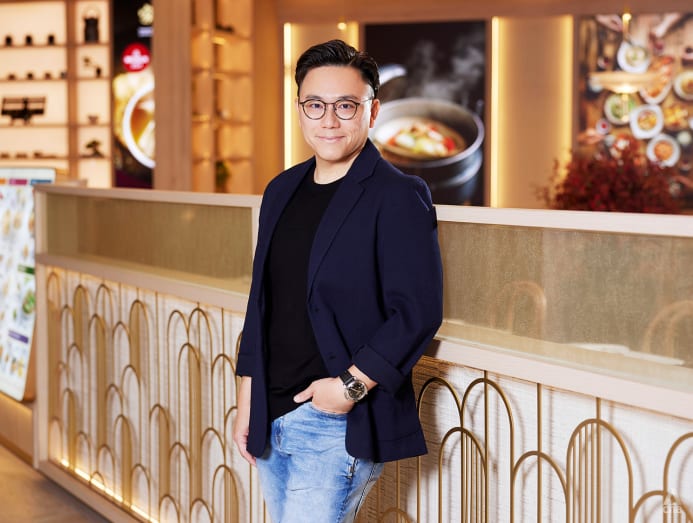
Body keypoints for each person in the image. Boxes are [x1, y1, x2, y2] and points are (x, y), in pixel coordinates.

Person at [232, 39, 443, 523]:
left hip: (332, 423)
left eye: (346, 106)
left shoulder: (398, 195)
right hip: (271, 413)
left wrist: (347, 389)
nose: (329, 120)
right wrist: (247, 398)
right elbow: (262, 302)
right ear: (300, 109)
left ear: (372, 111)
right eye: (315, 105)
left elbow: (417, 310)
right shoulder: (281, 189)